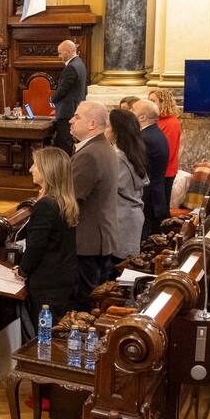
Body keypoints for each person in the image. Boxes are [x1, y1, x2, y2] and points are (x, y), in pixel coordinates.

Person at [18, 147, 78, 321]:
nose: (31, 169)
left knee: (45, 332)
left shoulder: (46, 205)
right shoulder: (63, 201)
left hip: (47, 285)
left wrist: (23, 270)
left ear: (47, 170)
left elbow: (36, 246)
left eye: (35, 165)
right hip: (62, 279)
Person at [69, 100, 117, 300]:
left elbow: (70, 199)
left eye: (77, 117)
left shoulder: (89, 154)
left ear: (92, 124)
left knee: (84, 302)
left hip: (87, 243)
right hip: (100, 239)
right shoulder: (103, 147)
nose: (71, 121)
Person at [108, 107, 149, 260]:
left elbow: (109, 188)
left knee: (119, 267)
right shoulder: (133, 152)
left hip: (122, 220)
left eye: (107, 126)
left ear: (116, 131)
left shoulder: (117, 157)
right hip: (131, 217)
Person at [133, 99, 169, 238]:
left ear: (142, 117)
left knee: (145, 241)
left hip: (148, 198)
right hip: (155, 195)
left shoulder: (144, 138)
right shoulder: (155, 133)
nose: (130, 113)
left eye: (133, 110)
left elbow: (137, 170)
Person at [50, 41, 87, 154]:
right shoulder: (80, 64)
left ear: (69, 51)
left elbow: (62, 89)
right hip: (74, 110)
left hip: (67, 113)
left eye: (60, 53)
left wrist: (51, 101)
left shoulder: (71, 67)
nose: (59, 56)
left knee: (63, 146)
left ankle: (63, 166)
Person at [150, 89, 182, 211]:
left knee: (161, 208)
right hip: (156, 171)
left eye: (153, 101)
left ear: (163, 102)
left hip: (164, 172)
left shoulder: (171, 122)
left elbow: (167, 150)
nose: (150, 104)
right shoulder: (156, 121)